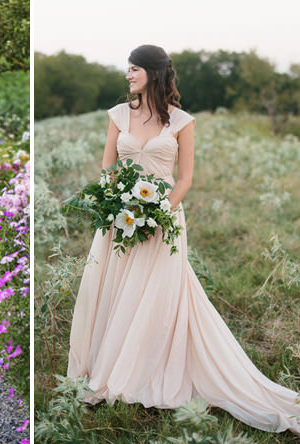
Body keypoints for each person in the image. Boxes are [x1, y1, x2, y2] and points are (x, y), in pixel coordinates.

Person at [68, 44, 300, 435]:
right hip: (118, 217)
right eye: (127, 70)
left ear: (154, 73)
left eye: (134, 69)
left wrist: (158, 214)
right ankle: (110, 366)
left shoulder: (181, 122)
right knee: (115, 288)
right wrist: (117, 201)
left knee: (156, 292)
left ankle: (149, 366)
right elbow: (108, 164)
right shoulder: (119, 114)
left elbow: (186, 178)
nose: (128, 75)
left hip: (163, 219)